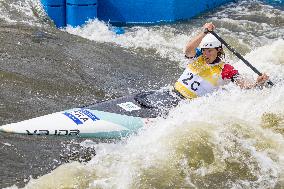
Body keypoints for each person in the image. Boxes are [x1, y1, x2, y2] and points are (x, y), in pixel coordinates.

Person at [174, 22, 270, 99]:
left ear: (218, 50)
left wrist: (257, 83)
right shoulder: (198, 56)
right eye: (204, 51)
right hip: (172, 93)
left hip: (186, 105)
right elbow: (188, 50)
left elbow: (244, 85)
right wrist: (204, 32)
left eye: (209, 51)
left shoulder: (226, 69)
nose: (206, 54)